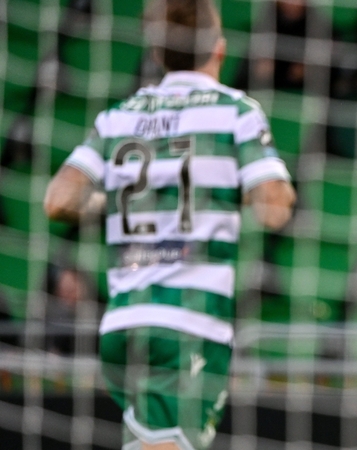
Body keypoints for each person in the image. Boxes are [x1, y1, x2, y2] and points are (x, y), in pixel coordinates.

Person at [43, 0, 296, 448]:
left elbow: (57, 201)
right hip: (187, 324)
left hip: (122, 324)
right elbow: (274, 210)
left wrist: (112, 201)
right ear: (219, 50)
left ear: (157, 54)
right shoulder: (234, 110)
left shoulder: (118, 116)